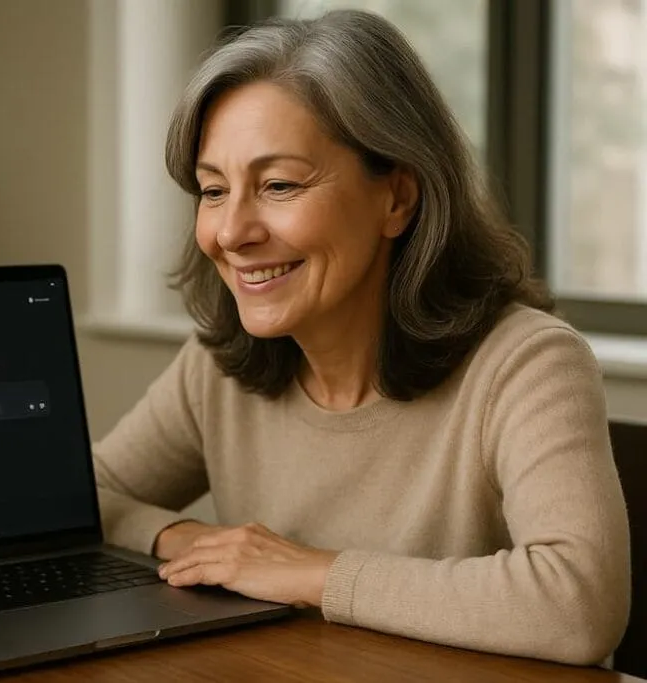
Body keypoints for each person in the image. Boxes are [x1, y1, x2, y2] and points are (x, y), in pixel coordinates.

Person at [91, 8, 631, 668]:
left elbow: (577, 607)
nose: (231, 232)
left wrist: (309, 572)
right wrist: (180, 536)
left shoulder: (530, 363)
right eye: (212, 189)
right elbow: (74, 496)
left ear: (397, 197)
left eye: (279, 184)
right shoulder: (220, 364)